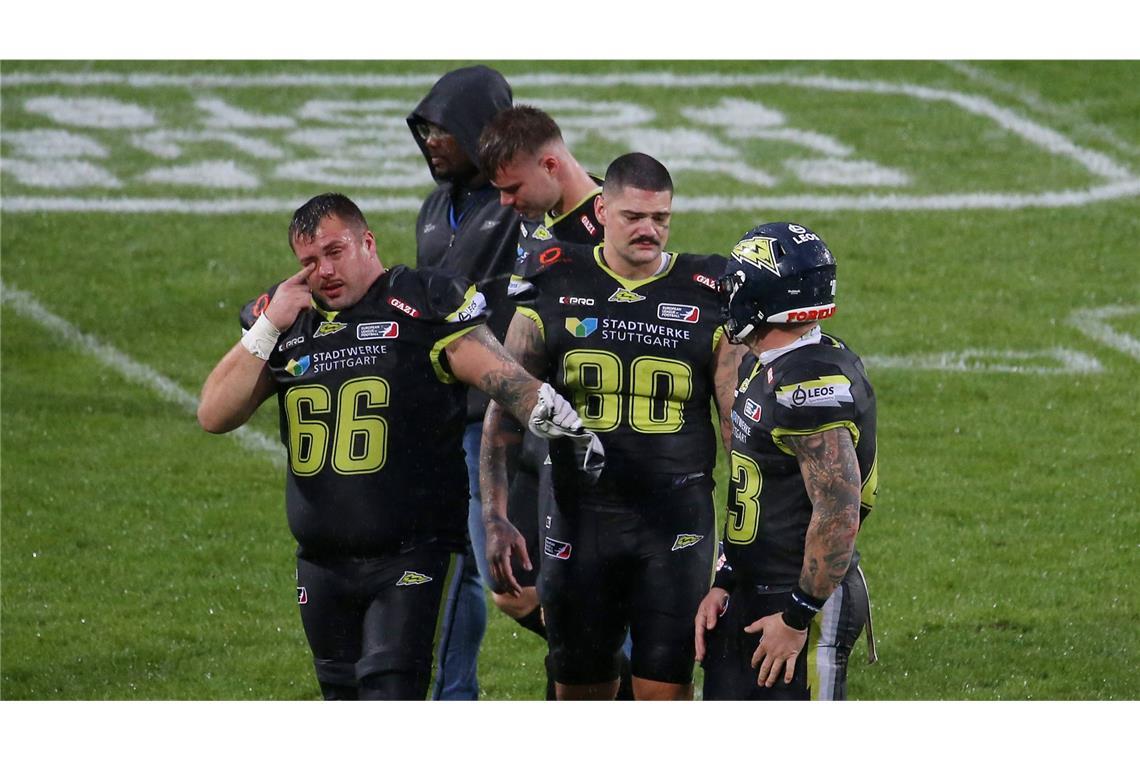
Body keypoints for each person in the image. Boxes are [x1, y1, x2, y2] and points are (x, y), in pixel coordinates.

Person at [197, 192, 596, 700]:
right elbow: (213, 414)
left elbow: (498, 374)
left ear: (368, 242)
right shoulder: (286, 320)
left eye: (335, 251)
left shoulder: (421, 300)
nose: (324, 270)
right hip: (321, 564)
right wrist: (269, 325)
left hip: (413, 555)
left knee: (391, 700)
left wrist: (544, 406)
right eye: (309, 262)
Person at [480, 153, 744, 700]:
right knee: (579, 694)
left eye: (661, 218)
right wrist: (496, 516)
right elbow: (504, 410)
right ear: (601, 210)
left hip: (675, 522)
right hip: (579, 519)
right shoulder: (552, 278)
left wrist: (743, 543)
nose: (649, 229)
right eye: (632, 217)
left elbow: (738, 434)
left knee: (664, 695)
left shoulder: (709, 292)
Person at [476, 104, 635, 699]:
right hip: (542, 435)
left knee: (583, 608)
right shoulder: (545, 217)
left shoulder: (610, 225)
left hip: (596, 445)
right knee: (516, 587)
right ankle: (609, 672)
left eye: (513, 188)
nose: (505, 202)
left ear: (550, 163)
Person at [694, 222, 879, 700]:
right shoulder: (773, 361)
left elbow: (839, 511)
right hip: (755, 588)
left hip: (798, 598)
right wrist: (727, 578)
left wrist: (799, 616)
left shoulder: (809, 382)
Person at [406, 65, 519, 700]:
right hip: (447, 415)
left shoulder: (515, 206)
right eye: (422, 130)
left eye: (442, 129)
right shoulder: (432, 208)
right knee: (456, 569)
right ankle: (454, 704)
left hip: (500, 421)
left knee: (515, 583)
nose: (430, 141)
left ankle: (627, 671)